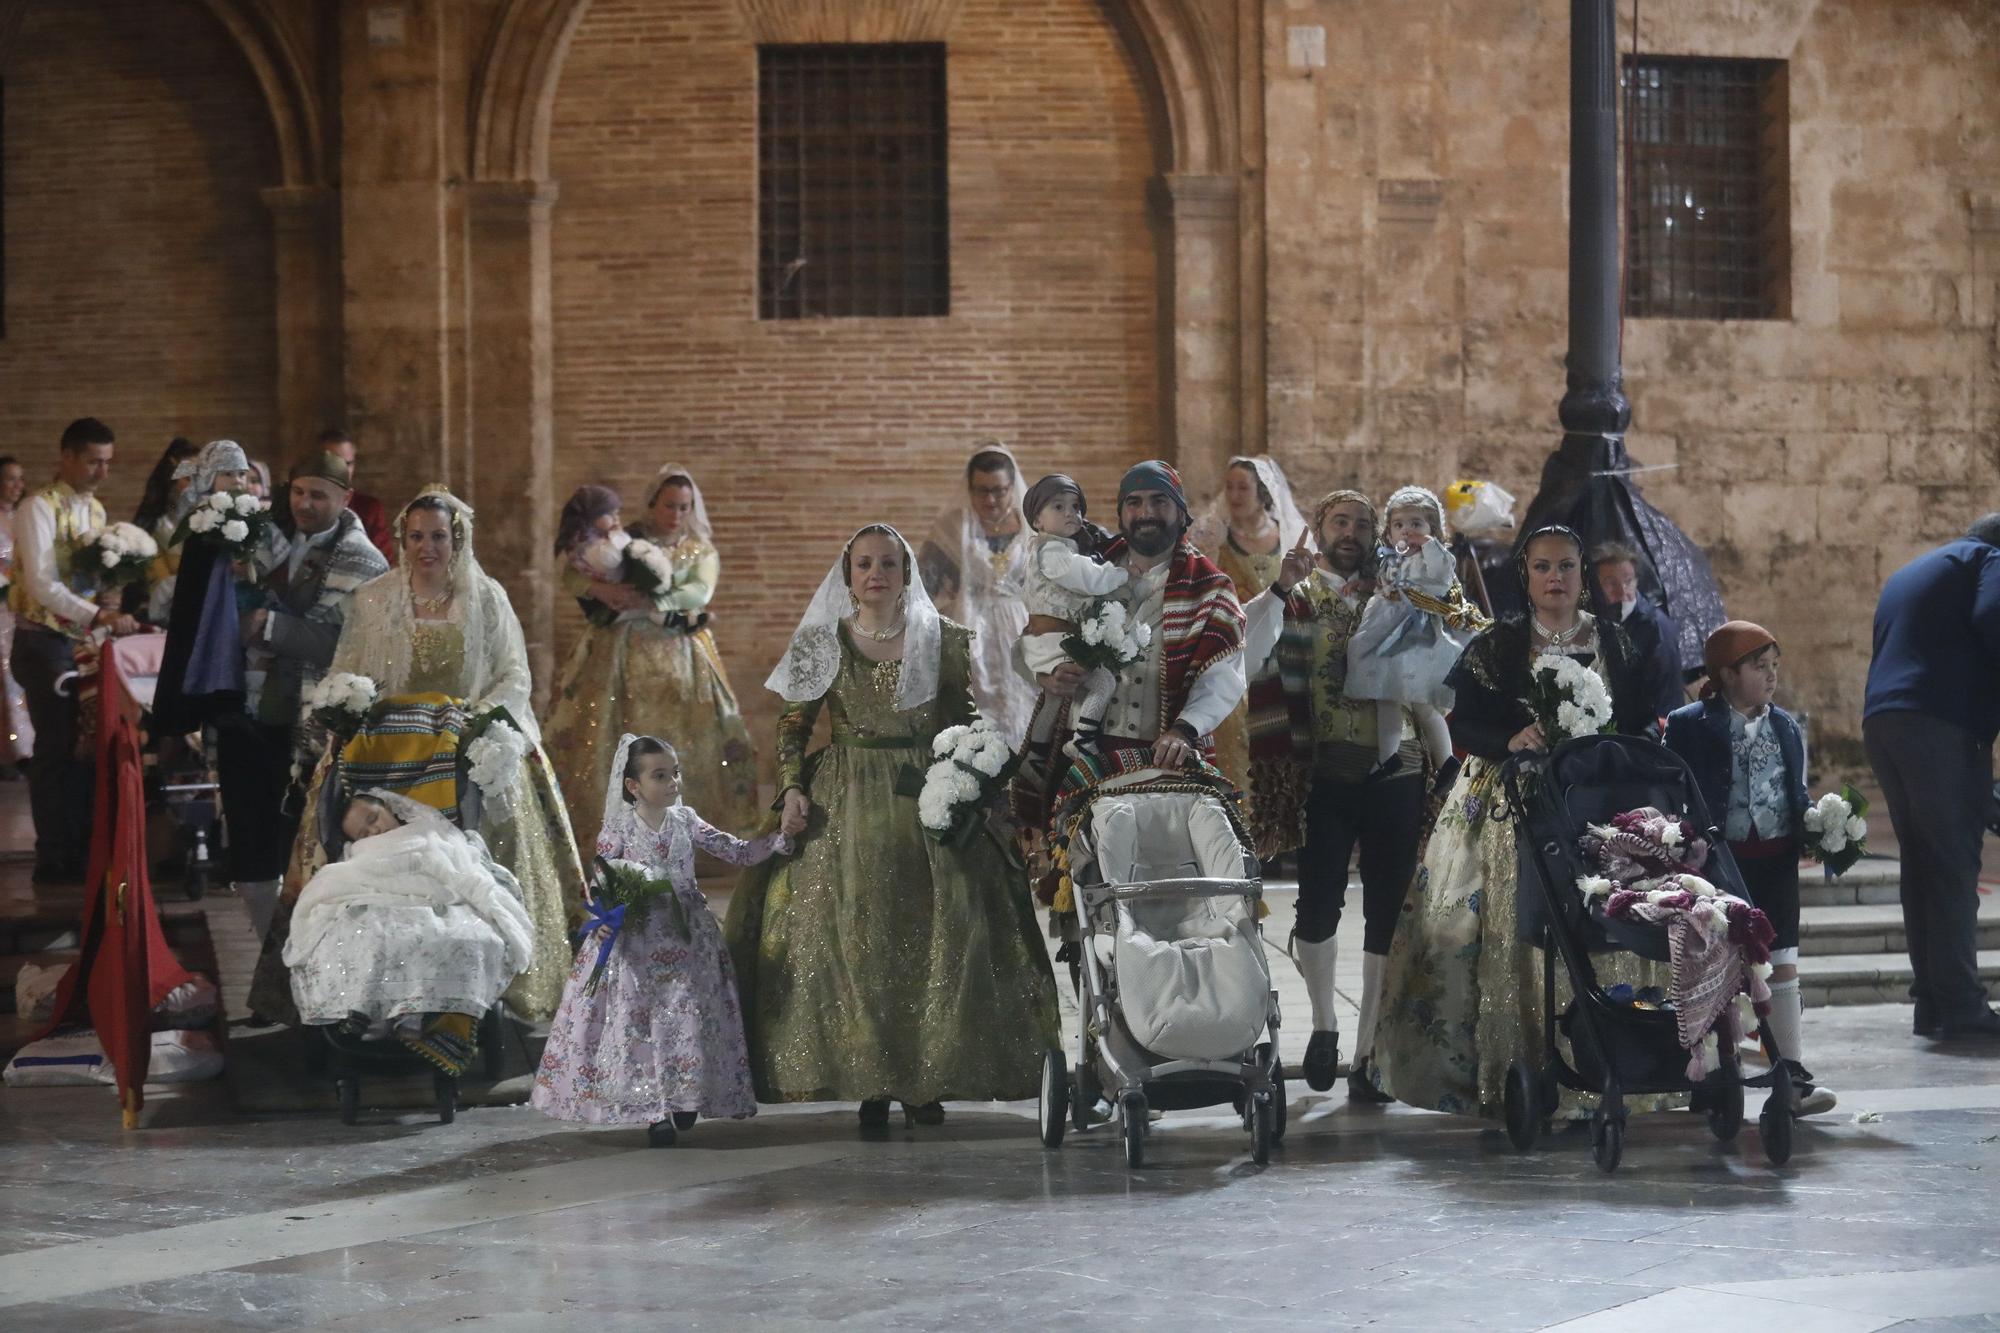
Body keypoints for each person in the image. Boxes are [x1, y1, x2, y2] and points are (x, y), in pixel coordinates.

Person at [724, 524, 1060, 1132]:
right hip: (844, 800)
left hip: (926, 799)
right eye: (863, 565)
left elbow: (962, 724)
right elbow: (793, 726)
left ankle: (923, 1078)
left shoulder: (946, 641)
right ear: (848, 575)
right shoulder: (821, 643)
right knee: (856, 936)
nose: (875, 573)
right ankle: (869, 1074)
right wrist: (793, 787)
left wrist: (978, 787)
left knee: (931, 933)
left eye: (888, 563)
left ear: (907, 573)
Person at [252, 488, 587, 1024]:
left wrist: (482, 722)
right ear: (403, 540)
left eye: (438, 536)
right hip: (387, 752)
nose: (426, 547)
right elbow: (347, 668)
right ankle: (355, 990)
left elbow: (514, 674)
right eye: (416, 536)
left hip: (463, 745)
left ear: (457, 539)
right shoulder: (374, 598)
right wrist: (348, 706)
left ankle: (500, 993)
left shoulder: (487, 598)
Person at [1368, 525, 1671, 1118]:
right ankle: (1519, 1067)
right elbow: (1462, 727)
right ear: (1526, 575)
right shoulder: (1499, 643)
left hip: (1597, 806)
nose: (1554, 579)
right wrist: (1512, 737)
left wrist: (1615, 744)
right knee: (1514, 927)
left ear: (1583, 575)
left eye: (1565, 567)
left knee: (1603, 923)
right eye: (1542, 568)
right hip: (1511, 807)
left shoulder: (1617, 642)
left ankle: (1612, 1055)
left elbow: (1645, 718)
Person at [1240, 490, 1428, 1100]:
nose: (1351, 532)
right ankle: (1324, 1024)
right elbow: (1247, 654)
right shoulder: (1294, 593)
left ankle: (1369, 1050)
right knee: (1317, 908)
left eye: (1362, 524)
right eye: (1339, 521)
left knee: (1386, 911)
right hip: (1321, 773)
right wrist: (1278, 587)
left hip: (1395, 772)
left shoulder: (1396, 591)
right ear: (1318, 529)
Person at [533, 735, 789, 1146]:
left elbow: (737, 852)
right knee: (642, 1020)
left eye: (675, 773)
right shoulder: (617, 829)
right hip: (638, 942)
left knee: (688, 1012)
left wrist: (777, 841)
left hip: (689, 938)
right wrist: (603, 915)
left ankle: (687, 1097)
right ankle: (654, 1111)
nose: (673, 783)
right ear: (633, 786)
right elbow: (602, 881)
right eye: (660, 776)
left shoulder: (686, 820)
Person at [1664, 622, 1837, 1113]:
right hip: (1722, 863)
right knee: (1719, 962)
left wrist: (1821, 830)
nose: (1771, 676)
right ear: (1727, 673)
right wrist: (1684, 837)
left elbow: (1794, 791)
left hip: (1776, 861)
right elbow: (1672, 787)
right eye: (1759, 667)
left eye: (1775, 666)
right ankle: (1718, 1071)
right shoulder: (1689, 723)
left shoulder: (1785, 725)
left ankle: (1792, 1073)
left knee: (1782, 961)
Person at [543, 467, 756, 845]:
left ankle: (682, 840)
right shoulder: (623, 539)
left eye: (684, 507)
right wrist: (598, 589)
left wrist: (652, 600)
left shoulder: (700, 549)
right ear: (653, 503)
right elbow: (572, 573)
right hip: (618, 654)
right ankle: (613, 836)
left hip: (680, 655)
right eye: (670, 505)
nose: (676, 514)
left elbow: (699, 592)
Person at [223, 452, 389, 937]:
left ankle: (309, 952)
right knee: (249, 839)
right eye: (297, 492)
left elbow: (353, 643)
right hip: (249, 710)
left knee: (301, 840)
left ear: (346, 498)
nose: (305, 503)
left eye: (318, 494)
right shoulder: (260, 539)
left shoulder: (365, 562)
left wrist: (270, 626)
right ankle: (266, 956)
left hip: (313, 723)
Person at [283, 789, 534, 1077]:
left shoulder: (430, 830)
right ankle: (368, 1014)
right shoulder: (357, 854)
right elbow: (345, 877)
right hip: (381, 897)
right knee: (370, 938)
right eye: (364, 833)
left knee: (463, 938)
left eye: (374, 818)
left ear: (389, 808)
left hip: (439, 895)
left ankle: (429, 1021)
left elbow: (461, 864)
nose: (375, 830)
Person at [1864, 513, 2000, 1041]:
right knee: (1952, 865)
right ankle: (1963, 1005)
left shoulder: (1918, 569)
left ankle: (1933, 1002)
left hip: (1885, 723)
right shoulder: (1990, 561)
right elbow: (1994, 616)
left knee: (1922, 865)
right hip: (1940, 725)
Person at [10, 418, 137, 882]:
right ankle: (54, 853)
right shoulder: (37, 508)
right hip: (43, 641)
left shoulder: (97, 511)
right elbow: (42, 584)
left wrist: (112, 597)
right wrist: (94, 614)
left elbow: (98, 576)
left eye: (108, 462)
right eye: (93, 461)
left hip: (84, 641)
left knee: (88, 743)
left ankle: (86, 844)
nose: (102, 472)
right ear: (66, 457)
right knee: (56, 747)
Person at [1344, 484, 1485, 790]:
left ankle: (1446, 759)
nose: (1407, 531)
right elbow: (1388, 584)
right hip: (1386, 626)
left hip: (1415, 634)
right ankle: (1388, 756)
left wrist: (1430, 544)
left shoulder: (1434, 558)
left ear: (1433, 530)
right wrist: (1365, 585)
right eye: (1399, 525)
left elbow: (1443, 573)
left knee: (1422, 703)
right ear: (1389, 532)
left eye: (1416, 524)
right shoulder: (1393, 559)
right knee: (1387, 697)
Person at [1192, 456, 1307, 803]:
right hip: (1234, 654)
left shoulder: (1283, 534)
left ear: (1263, 492)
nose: (1235, 495)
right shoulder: (1214, 537)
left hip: (1284, 655)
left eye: (1244, 487)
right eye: (1229, 487)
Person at [917, 443, 1036, 747]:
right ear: (968, 489)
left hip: (1023, 629)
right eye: (981, 491)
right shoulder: (953, 528)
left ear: (1012, 486)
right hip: (969, 630)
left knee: (1025, 707)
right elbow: (924, 586)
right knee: (975, 714)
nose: (991, 499)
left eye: (999, 490)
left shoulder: (1033, 528)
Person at [152, 440, 259, 738]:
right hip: (212, 597)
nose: (237, 481)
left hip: (236, 597)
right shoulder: (202, 515)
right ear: (209, 478)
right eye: (227, 474)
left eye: (242, 474)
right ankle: (208, 695)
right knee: (207, 641)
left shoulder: (250, 512)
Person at [1017, 473, 1127, 760]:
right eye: (1058, 507)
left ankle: (1035, 754)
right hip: (1055, 639)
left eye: (1075, 507)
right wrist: (1122, 574)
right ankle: (1082, 739)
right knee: (1103, 681)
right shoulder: (1052, 550)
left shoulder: (1056, 547)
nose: (1070, 513)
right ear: (1037, 520)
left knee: (1054, 698)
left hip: (1046, 639)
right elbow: (1088, 578)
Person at [1592, 540, 1685, 721]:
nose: (1622, 591)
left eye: (1628, 581)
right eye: (1610, 584)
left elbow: (1664, 698)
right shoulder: (1602, 621)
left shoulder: (1655, 627)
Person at [0, 454, 35, 773]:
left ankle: (25, 746)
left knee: (18, 675)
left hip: (18, 607)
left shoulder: (23, 517)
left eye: (20, 479)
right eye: (11, 478)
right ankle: (9, 749)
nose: (17, 485)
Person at [315, 428, 394, 564]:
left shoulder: (369, 509)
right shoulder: (302, 504)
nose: (342, 470)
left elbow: (384, 564)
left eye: (348, 464)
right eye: (334, 462)